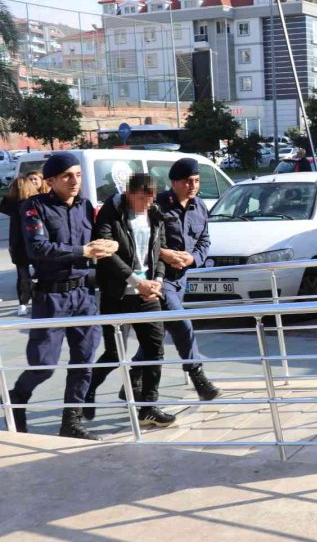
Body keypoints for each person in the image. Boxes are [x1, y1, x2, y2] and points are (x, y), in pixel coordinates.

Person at [6, 152, 118, 439]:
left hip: (83, 295)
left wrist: (109, 244)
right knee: (44, 366)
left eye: (78, 175)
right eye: (67, 176)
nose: (74, 181)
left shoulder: (85, 206)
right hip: (51, 297)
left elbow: (96, 238)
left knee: (83, 362)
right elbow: (38, 248)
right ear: (51, 180)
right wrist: (83, 251)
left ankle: (71, 422)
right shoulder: (34, 207)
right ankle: (16, 398)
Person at [122, 158, 220, 402]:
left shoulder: (200, 207)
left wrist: (193, 258)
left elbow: (204, 240)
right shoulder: (157, 205)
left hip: (181, 279)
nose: (192, 186)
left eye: (196, 181)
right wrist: (164, 253)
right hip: (159, 277)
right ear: (174, 182)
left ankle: (133, 378)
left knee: (158, 331)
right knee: (181, 324)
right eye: (187, 181)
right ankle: (197, 375)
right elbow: (139, 240)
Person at [83, 173, 176, 427]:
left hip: (148, 294)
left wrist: (157, 278)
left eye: (151, 198)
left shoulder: (155, 213)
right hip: (118, 295)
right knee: (115, 353)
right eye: (141, 198)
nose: (147, 203)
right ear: (128, 194)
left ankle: (149, 406)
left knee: (155, 348)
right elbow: (106, 254)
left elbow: (159, 248)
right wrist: (137, 282)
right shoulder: (111, 214)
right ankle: (87, 390)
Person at [1, 176, 39, 316]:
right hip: (35, 240)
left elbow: (3, 203)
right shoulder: (36, 201)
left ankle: (22, 304)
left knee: (22, 275)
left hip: (18, 244)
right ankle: (38, 299)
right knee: (40, 271)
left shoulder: (10, 204)